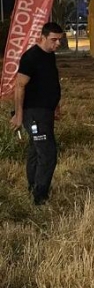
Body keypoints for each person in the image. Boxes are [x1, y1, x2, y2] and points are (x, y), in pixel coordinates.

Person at [10, 22, 64, 206]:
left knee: (35, 150)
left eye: (59, 40)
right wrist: (19, 115)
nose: (57, 44)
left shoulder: (49, 56)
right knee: (48, 154)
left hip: (45, 112)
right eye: (54, 40)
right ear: (42, 37)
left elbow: (49, 82)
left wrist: (55, 106)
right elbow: (19, 86)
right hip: (34, 114)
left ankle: (33, 187)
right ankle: (40, 197)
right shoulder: (31, 57)